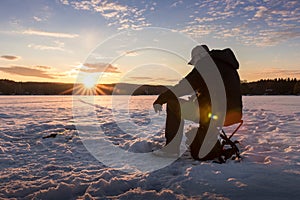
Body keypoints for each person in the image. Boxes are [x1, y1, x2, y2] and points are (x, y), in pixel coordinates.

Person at [153, 45, 242, 159]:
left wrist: (161, 99)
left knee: (173, 104)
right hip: (232, 114)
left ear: (199, 57)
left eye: (194, 62)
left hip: (215, 114)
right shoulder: (225, 65)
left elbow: (185, 86)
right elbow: (216, 91)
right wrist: (196, 99)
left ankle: (171, 150)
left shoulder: (206, 64)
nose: (195, 66)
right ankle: (206, 141)